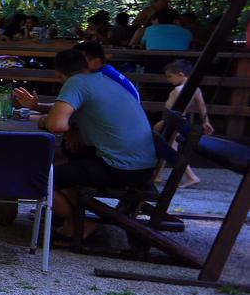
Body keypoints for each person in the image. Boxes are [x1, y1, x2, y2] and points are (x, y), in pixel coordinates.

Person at [12, 48, 157, 242]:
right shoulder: (101, 79)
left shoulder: (76, 82)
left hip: (122, 167)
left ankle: (81, 224)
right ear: (86, 64)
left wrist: (43, 121)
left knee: (37, 178)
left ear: (58, 74)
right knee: (67, 160)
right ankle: (72, 223)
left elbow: (56, 124)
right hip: (141, 165)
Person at [155, 60, 213, 188]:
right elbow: (202, 108)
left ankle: (191, 176)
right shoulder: (196, 89)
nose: (168, 80)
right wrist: (206, 121)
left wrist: (163, 122)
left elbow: (170, 109)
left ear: (180, 74)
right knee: (168, 147)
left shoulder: (178, 90)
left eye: (170, 76)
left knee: (169, 149)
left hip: (174, 121)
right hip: (181, 120)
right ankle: (158, 175)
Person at [75, 39, 140, 102]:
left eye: (81, 61)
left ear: (96, 62)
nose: (76, 65)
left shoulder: (102, 76)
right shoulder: (107, 71)